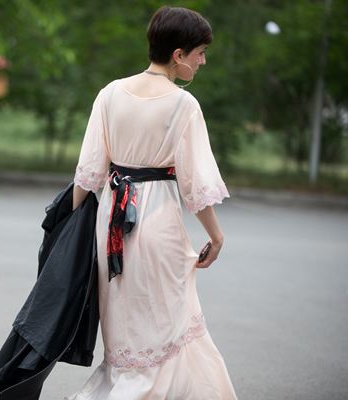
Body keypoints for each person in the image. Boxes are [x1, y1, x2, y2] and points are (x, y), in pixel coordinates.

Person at [65, 6, 238, 400]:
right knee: (171, 317)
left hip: (111, 219)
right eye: (199, 52)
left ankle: (125, 384)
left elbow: (88, 172)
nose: (203, 60)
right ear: (178, 54)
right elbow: (196, 186)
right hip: (156, 216)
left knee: (125, 316)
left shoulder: (110, 93)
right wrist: (216, 235)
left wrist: (68, 228)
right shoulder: (183, 105)